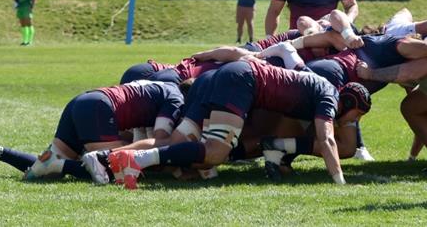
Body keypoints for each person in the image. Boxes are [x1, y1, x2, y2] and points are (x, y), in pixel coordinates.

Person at [102, 59, 370, 189]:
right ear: (346, 103)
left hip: (224, 76)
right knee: (215, 152)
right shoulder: (329, 96)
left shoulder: (319, 89)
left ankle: (110, 159)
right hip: (242, 80)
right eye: (355, 117)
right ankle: (135, 161)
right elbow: (327, 140)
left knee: (180, 144)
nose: (352, 123)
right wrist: (339, 181)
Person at [0, 80, 185, 182]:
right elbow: (160, 139)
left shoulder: (159, 86)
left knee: (47, 172)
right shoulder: (176, 97)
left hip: (85, 100)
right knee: (114, 167)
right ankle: (58, 163)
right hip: (99, 107)